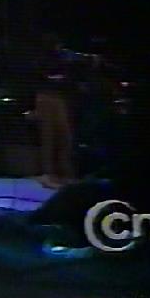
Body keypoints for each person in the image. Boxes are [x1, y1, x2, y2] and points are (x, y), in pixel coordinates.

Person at [34, 33, 101, 189]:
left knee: (64, 136)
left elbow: (78, 61)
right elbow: (44, 74)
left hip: (58, 97)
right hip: (47, 96)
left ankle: (65, 173)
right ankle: (49, 173)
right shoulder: (44, 58)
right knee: (50, 136)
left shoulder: (63, 56)